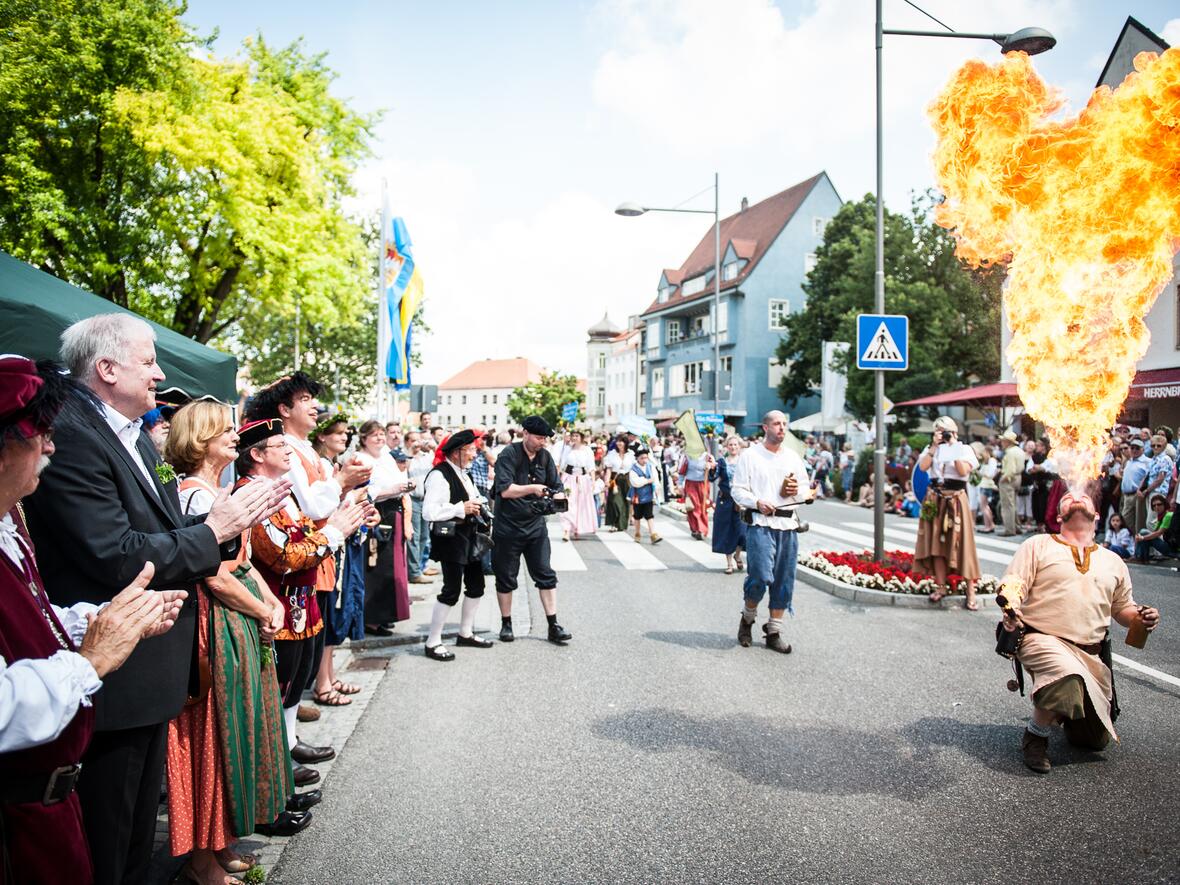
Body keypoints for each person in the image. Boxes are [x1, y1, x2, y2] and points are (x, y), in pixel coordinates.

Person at [23, 314, 288, 885]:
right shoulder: (72, 432)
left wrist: (224, 528)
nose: (160, 373)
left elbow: (166, 530)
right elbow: (113, 553)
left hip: (150, 668)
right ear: (107, 367)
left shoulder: (130, 432)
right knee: (107, 841)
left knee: (136, 836)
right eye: (148, 361)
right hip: (115, 674)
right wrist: (214, 530)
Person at [0, 357, 184, 885]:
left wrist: (98, 620)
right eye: (39, 433)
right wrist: (91, 660)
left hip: (45, 808)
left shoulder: (10, 520)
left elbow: (27, 617)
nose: (51, 447)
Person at [166, 402, 302, 882]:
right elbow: (216, 577)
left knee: (233, 733)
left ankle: (219, 843)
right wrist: (263, 608)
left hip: (236, 621)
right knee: (213, 735)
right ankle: (201, 861)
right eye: (223, 430)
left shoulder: (216, 490)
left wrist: (272, 603)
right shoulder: (194, 498)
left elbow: (241, 565)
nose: (232, 436)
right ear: (199, 441)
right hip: (213, 626)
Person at [236, 419, 367, 796]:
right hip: (278, 606)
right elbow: (284, 556)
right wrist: (335, 531)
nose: (289, 450)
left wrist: (341, 524)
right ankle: (273, 768)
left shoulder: (281, 493)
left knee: (296, 679)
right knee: (277, 685)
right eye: (279, 446)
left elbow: (306, 532)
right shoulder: (253, 494)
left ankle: (286, 746)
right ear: (257, 455)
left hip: (298, 603)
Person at [998, 492, 1160, 773]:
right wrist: (1010, 604)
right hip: (1041, 639)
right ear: (1059, 516)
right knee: (1066, 675)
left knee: (1093, 741)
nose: (1075, 496)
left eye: (1083, 496)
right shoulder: (1038, 545)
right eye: (1068, 497)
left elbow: (1122, 609)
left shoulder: (1113, 561)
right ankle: (1035, 736)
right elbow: (1014, 583)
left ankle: (1060, 709)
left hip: (1090, 654)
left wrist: (1142, 617)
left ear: (1097, 516)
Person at [730, 411, 812, 654]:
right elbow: (738, 490)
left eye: (784, 424)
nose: (782, 428)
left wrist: (795, 493)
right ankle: (747, 618)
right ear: (765, 428)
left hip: (788, 526)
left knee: (784, 580)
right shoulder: (751, 455)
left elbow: (805, 490)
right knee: (760, 576)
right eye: (777, 424)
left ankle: (774, 631)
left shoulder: (793, 457)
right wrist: (757, 502)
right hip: (761, 524)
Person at [492, 416, 572, 645]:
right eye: (538, 438)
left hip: (535, 527)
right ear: (525, 433)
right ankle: (506, 623)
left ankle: (553, 625)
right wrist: (533, 488)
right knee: (506, 577)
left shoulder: (545, 457)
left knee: (546, 574)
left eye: (545, 438)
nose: (542, 442)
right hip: (508, 526)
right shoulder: (509, 455)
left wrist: (558, 494)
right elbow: (505, 490)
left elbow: (556, 485)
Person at [421, 429, 494, 660]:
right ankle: (433, 641)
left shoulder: (465, 473)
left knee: (476, 585)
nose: (474, 454)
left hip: (469, 537)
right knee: (451, 590)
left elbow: (472, 499)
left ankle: (466, 632)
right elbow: (429, 511)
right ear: (456, 453)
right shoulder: (439, 475)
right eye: (471, 450)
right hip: (451, 539)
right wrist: (460, 508)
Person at [354, 421, 413, 639]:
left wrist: (402, 487)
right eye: (374, 435)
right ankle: (372, 617)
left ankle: (386, 614)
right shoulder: (362, 459)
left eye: (381, 435)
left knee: (392, 565)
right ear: (364, 439)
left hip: (393, 509)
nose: (379, 439)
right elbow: (364, 491)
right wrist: (394, 489)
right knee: (376, 564)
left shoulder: (385, 455)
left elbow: (398, 481)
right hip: (376, 511)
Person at [915, 416, 981, 609]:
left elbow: (962, 471)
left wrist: (952, 447)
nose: (942, 434)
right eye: (938, 431)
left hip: (956, 498)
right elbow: (923, 468)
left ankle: (970, 591)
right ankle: (941, 586)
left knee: (963, 544)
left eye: (945, 431)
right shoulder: (932, 449)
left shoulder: (964, 449)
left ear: (954, 432)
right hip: (935, 497)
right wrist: (934, 447)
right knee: (936, 542)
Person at [712, 436, 747, 574]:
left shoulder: (744, 462)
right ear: (727, 446)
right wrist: (711, 467)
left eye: (735, 444)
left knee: (742, 533)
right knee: (727, 531)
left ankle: (737, 554)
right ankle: (729, 563)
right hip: (725, 501)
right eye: (730, 445)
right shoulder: (721, 462)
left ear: (739, 446)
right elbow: (712, 477)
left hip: (741, 502)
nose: (733, 447)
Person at [557, 429, 597, 542]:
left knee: (581, 505)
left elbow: (591, 467)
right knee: (568, 503)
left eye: (577, 436)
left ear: (581, 437)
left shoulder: (587, 450)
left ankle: (577, 528)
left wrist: (593, 481)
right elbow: (561, 465)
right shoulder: (567, 449)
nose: (574, 438)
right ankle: (566, 530)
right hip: (568, 479)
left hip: (583, 480)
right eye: (573, 436)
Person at [406, 435, 434, 585]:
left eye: (419, 440)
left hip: (427, 499)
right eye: (413, 440)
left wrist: (431, 447)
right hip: (414, 500)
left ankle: (420, 567)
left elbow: (438, 463)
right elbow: (404, 470)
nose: (417, 443)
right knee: (414, 537)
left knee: (424, 536)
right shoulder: (406, 456)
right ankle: (414, 572)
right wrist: (411, 452)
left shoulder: (427, 457)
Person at [679, 449, 715, 540]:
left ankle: (702, 529)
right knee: (693, 507)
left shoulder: (708, 456)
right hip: (690, 484)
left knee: (703, 507)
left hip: (703, 484)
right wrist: (679, 484)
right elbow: (682, 471)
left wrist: (710, 466)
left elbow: (715, 471)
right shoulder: (687, 456)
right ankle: (696, 529)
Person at [628, 448, 662, 544]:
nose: (644, 460)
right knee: (637, 516)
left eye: (646, 458)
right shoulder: (633, 469)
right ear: (637, 458)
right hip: (637, 496)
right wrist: (647, 480)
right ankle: (637, 533)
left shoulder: (651, 467)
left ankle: (653, 534)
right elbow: (635, 482)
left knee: (649, 515)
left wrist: (657, 488)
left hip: (648, 496)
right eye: (642, 458)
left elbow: (655, 479)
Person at [997, 431, 1025, 536]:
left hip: (1009, 479)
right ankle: (1016, 527)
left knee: (1007, 505)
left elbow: (1010, 470)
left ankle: (1009, 529)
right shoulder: (1019, 451)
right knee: (1013, 504)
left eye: (1003, 441)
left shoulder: (1010, 452)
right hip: (1018, 478)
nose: (1001, 443)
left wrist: (1002, 479)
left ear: (1007, 442)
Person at [602, 437, 633, 533]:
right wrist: (607, 481)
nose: (619, 443)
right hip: (615, 480)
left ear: (625, 443)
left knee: (625, 503)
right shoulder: (612, 454)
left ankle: (621, 524)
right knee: (615, 501)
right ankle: (614, 523)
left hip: (627, 480)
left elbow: (634, 469)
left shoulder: (631, 454)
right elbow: (609, 469)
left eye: (622, 441)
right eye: (618, 441)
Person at [1119, 438, 1150, 535]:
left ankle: (1140, 540)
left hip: (1137, 494)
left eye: (1137, 448)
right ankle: (1136, 538)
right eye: (1132, 448)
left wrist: (1143, 490)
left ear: (1143, 449)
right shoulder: (1129, 461)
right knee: (1125, 518)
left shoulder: (1147, 462)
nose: (1134, 450)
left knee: (1139, 521)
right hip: (1126, 495)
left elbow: (1149, 477)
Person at [1132, 494, 1174, 563]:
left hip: (1172, 549)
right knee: (1143, 532)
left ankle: (1139, 557)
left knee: (1144, 533)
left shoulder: (1168, 515)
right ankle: (1142, 558)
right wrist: (1140, 537)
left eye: (1159, 504)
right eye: (1154, 505)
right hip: (1168, 545)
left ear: (1164, 505)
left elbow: (1158, 533)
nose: (1156, 507)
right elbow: (1154, 532)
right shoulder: (1160, 516)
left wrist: (1142, 538)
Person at [977, 445, 999, 533]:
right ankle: (990, 524)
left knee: (984, 506)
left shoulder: (992, 461)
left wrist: (980, 473)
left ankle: (988, 525)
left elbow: (990, 474)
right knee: (986, 506)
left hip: (986, 484)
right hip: (985, 484)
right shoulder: (987, 461)